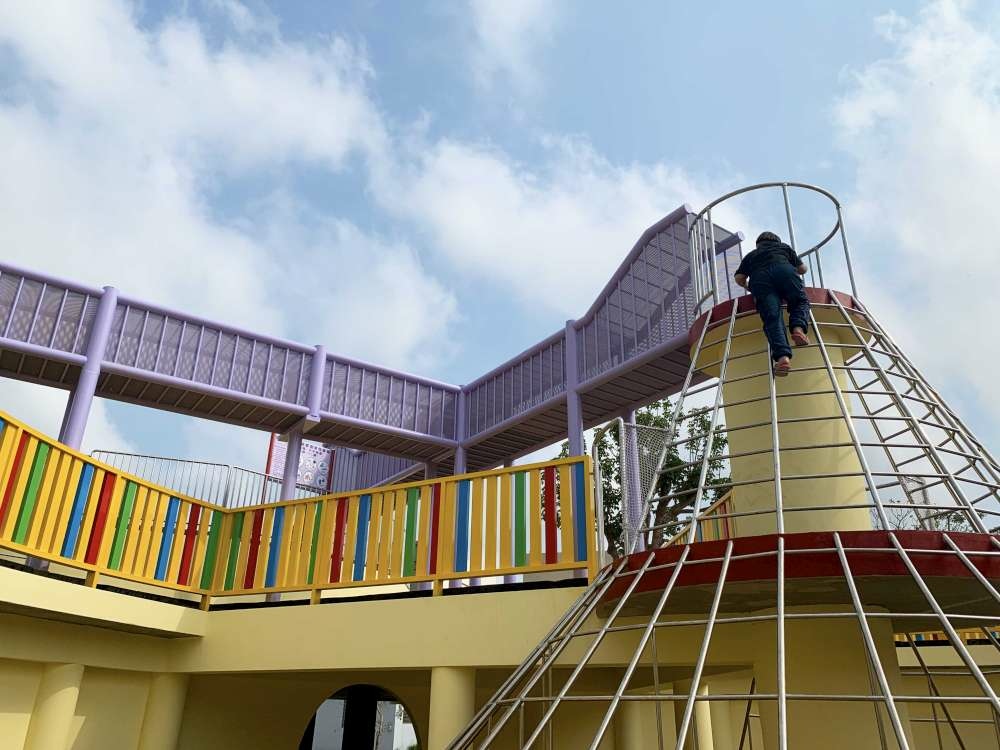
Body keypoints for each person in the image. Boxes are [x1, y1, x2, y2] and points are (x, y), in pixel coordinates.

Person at [734, 231, 810, 376]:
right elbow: (803, 269)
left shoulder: (751, 255)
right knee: (800, 301)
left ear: (758, 244)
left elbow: (739, 278)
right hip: (785, 271)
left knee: (772, 317)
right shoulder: (784, 247)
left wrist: (748, 286)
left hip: (760, 279)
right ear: (777, 241)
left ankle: (783, 358)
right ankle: (798, 329)